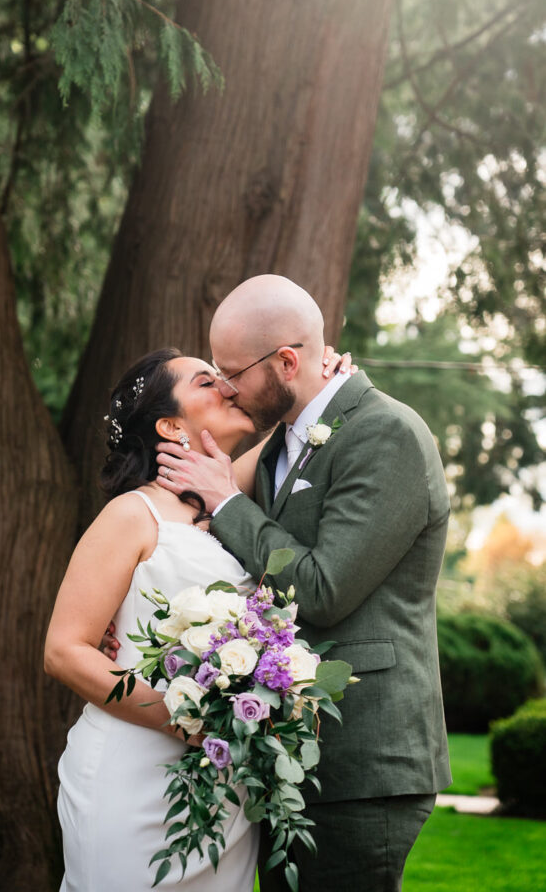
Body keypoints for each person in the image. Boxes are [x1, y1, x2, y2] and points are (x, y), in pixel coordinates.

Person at [155, 275, 452, 892]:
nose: (227, 386)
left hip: (364, 762)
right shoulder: (280, 444)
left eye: (234, 371)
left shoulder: (386, 434)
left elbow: (321, 589)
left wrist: (225, 500)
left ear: (287, 361)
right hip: (292, 756)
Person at [44, 343, 352, 891]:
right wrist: (186, 718)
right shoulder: (131, 514)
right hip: (133, 775)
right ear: (170, 425)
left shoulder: (235, 497)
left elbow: (299, 423)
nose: (228, 386)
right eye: (207, 382)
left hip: (224, 788)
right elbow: (65, 652)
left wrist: (324, 380)